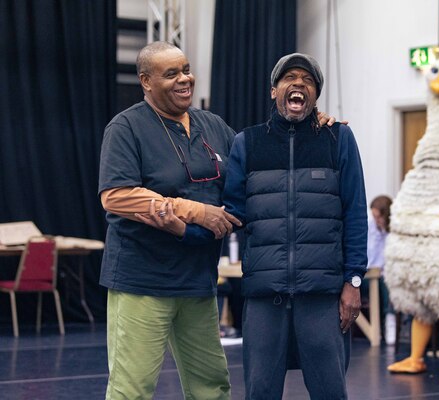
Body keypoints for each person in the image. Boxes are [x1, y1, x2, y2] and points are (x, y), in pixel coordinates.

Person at [99, 42, 338, 399]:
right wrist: (192, 210)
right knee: (132, 390)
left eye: (186, 69)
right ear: (146, 82)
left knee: (211, 386)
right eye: (171, 74)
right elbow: (116, 196)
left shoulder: (213, 127)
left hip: (198, 281)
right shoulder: (126, 126)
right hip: (142, 282)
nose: (185, 79)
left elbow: (256, 160)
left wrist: (310, 125)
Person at [363, 195, 395, 344]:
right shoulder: (368, 229)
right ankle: (386, 322)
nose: (376, 220)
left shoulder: (394, 233)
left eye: (379, 217)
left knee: (386, 282)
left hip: (385, 277)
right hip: (367, 277)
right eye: (374, 216)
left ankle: (389, 320)